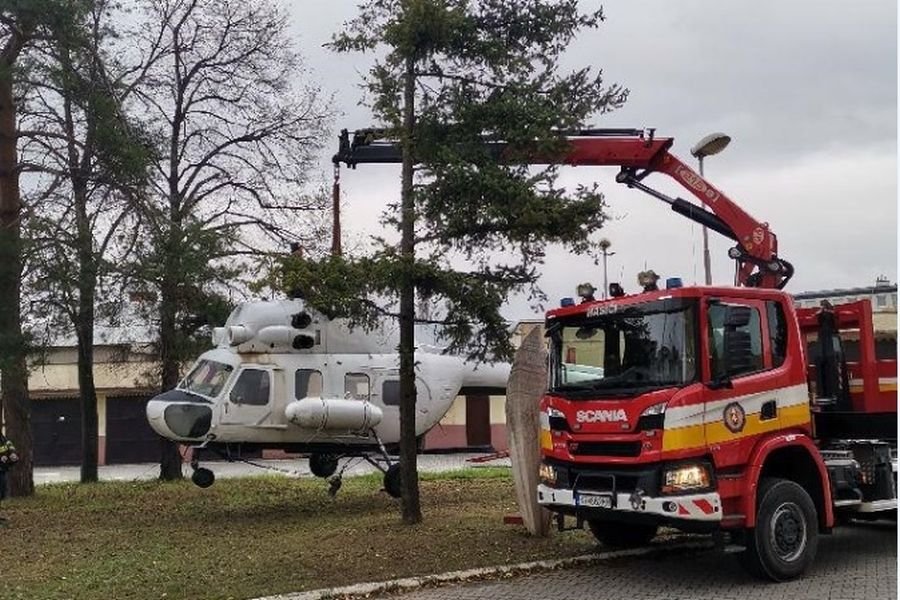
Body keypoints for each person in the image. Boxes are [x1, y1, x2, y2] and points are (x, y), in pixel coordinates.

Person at [0, 432, 20, 525]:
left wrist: (12, 454)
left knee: (2, 493)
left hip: (2, 469)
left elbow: (8, 444)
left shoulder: (1, 437)